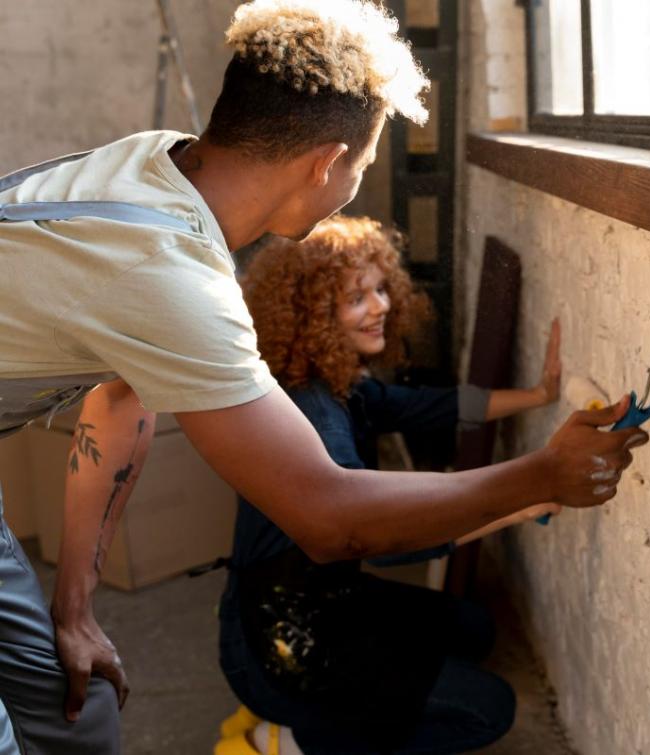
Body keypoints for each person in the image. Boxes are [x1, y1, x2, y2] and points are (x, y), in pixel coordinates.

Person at [0, 2, 648, 752]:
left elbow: (120, 396)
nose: (355, 183)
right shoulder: (170, 276)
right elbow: (329, 518)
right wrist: (543, 474)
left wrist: (75, 609)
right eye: (362, 168)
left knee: (76, 714)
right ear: (325, 162)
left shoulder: (158, 165)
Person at [216, 216, 563, 754]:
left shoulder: (341, 384)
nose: (380, 306)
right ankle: (290, 740)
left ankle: (338, 714)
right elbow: (378, 536)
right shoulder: (313, 412)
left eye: (380, 289)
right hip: (279, 640)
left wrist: (539, 395)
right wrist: (513, 505)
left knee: (473, 629)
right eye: (357, 297)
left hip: (323, 598)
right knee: (487, 710)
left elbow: (435, 407)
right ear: (312, 315)